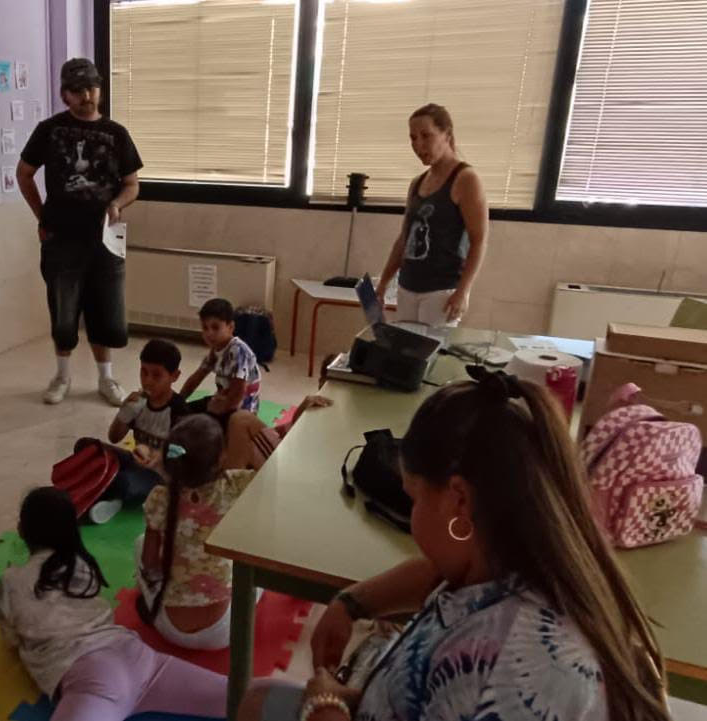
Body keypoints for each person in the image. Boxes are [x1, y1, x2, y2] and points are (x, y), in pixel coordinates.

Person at [238, 367, 669, 721]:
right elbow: (440, 575)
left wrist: (326, 708)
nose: (413, 517)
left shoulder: (508, 675)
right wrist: (351, 604)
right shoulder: (520, 553)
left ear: (459, 501)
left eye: (414, 497)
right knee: (259, 699)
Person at [0, 487, 228, 721]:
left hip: (92, 676)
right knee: (236, 695)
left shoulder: (11, 580)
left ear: (22, 530)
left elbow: (11, 638)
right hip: (136, 656)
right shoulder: (80, 564)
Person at [17, 58, 143, 407]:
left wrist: (117, 203)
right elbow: (24, 174)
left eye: (92, 87)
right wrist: (42, 217)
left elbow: (133, 184)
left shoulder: (117, 134)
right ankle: (62, 376)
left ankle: (106, 379)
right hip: (61, 238)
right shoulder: (49, 130)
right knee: (63, 311)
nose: (87, 95)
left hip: (103, 240)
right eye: (78, 89)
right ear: (64, 95)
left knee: (105, 312)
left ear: (99, 89)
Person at [137, 415, 257, 649]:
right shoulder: (236, 486)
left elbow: (149, 564)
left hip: (169, 629)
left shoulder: (160, 498)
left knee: (141, 543)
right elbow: (277, 466)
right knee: (255, 567)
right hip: (224, 633)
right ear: (221, 458)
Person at [375, 104, 488, 328]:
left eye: (426, 136)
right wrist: (384, 283)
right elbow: (404, 238)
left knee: (431, 358)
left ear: (447, 134)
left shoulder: (466, 179)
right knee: (406, 354)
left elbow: (479, 240)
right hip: (408, 286)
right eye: (413, 138)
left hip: (442, 291)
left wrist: (463, 291)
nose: (418, 145)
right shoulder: (417, 183)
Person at [82, 338, 193, 524]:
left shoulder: (179, 410)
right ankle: (107, 491)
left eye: (156, 375)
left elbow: (183, 456)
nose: (147, 381)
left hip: (159, 475)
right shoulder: (139, 402)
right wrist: (125, 412)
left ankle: (112, 498)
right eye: (144, 372)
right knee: (87, 446)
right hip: (134, 461)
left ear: (174, 376)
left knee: (124, 482)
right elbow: (114, 437)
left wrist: (156, 456)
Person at [179, 298, 262, 426]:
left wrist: (217, 411)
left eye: (215, 327)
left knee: (196, 426)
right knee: (181, 413)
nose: (209, 333)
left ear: (230, 327)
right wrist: (179, 400)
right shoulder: (215, 350)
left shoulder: (238, 351)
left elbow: (238, 392)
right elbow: (197, 377)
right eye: (205, 328)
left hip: (239, 410)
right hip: (221, 400)